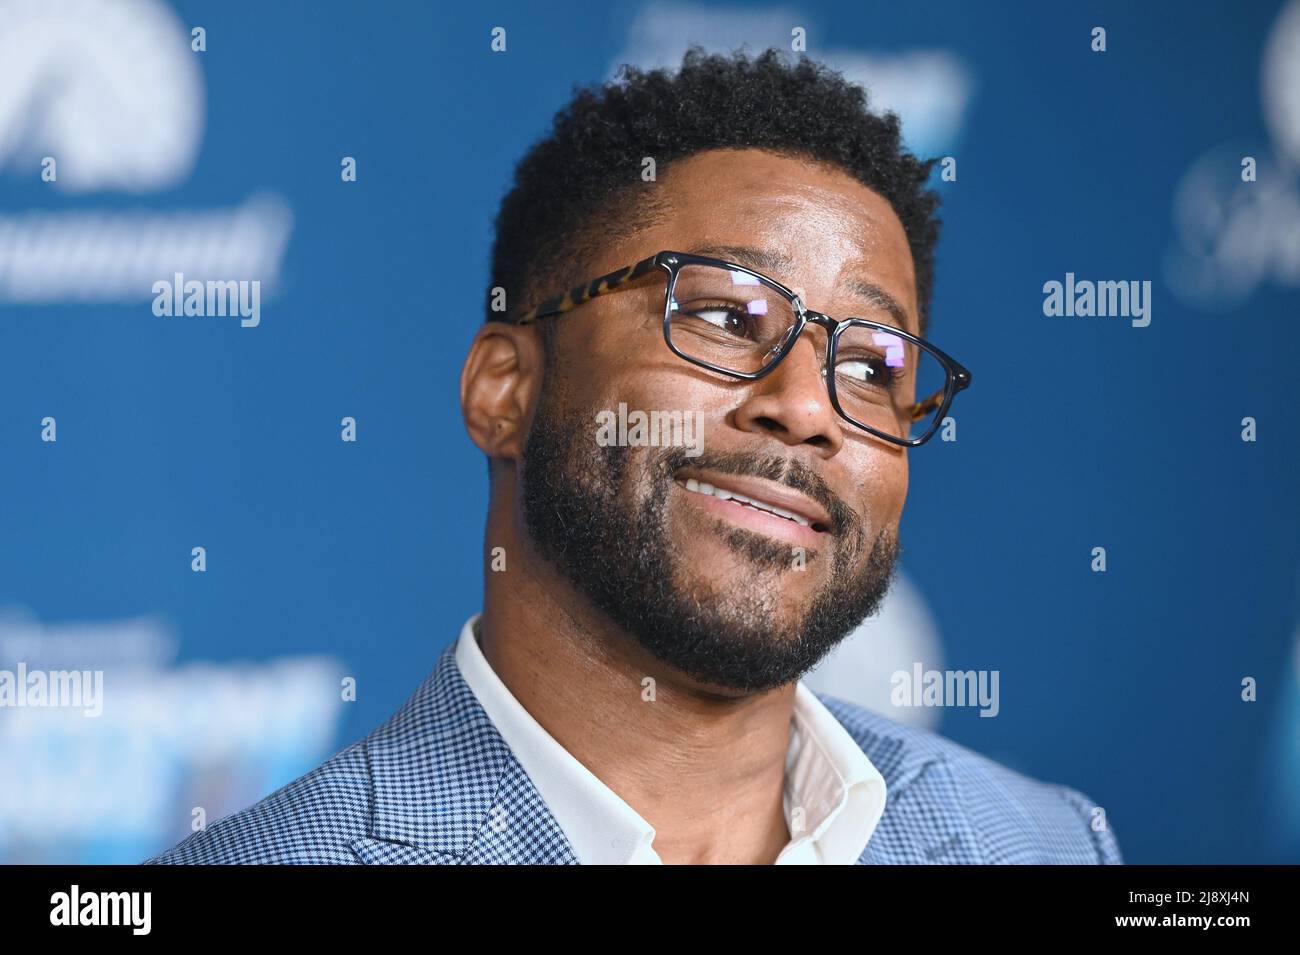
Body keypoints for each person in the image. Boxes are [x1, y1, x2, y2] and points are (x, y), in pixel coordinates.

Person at [148, 46, 1121, 865]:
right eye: (725, 316)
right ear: (504, 389)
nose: (805, 408)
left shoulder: (1040, 842)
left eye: (872, 366)